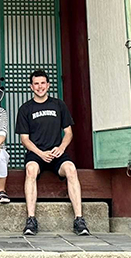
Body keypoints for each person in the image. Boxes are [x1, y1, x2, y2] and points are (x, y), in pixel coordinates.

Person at [16, 69, 89, 236]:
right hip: (36, 153)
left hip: (57, 152)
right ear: (31, 86)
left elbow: (68, 132)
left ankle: (79, 219)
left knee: (71, 169)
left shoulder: (59, 105)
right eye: (36, 84)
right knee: (31, 170)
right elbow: (25, 139)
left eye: (43, 83)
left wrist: (62, 148)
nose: (40, 87)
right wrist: (40, 153)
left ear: (48, 85)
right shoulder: (25, 109)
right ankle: (31, 219)